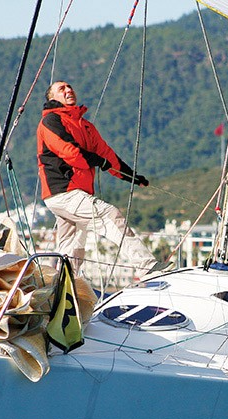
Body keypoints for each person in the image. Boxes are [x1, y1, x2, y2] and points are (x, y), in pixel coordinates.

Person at [37, 80, 158, 278]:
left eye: (70, 86)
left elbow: (106, 154)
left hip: (73, 194)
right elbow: (69, 151)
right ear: (52, 98)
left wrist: (132, 176)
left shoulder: (85, 126)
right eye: (62, 89)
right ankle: (147, 266)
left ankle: (65, 289)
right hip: (64, 192)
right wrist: (96, 160)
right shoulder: (50, 121)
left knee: (72, 249)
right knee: (110, 216)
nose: (69, 89)